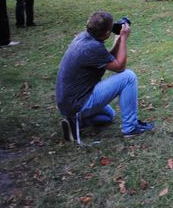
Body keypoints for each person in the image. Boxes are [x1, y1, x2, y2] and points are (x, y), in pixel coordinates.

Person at [55, 11, 154, 142]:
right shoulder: (92, 47)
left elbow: (107, 58)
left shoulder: (83, 38)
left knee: (108, 116)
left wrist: (118, 39)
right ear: (107, 33)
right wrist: (123, 38)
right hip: (78, 102)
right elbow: (119, 67)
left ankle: (76, 123)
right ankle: (131, 128)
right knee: (128, 77)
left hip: (69, 103)